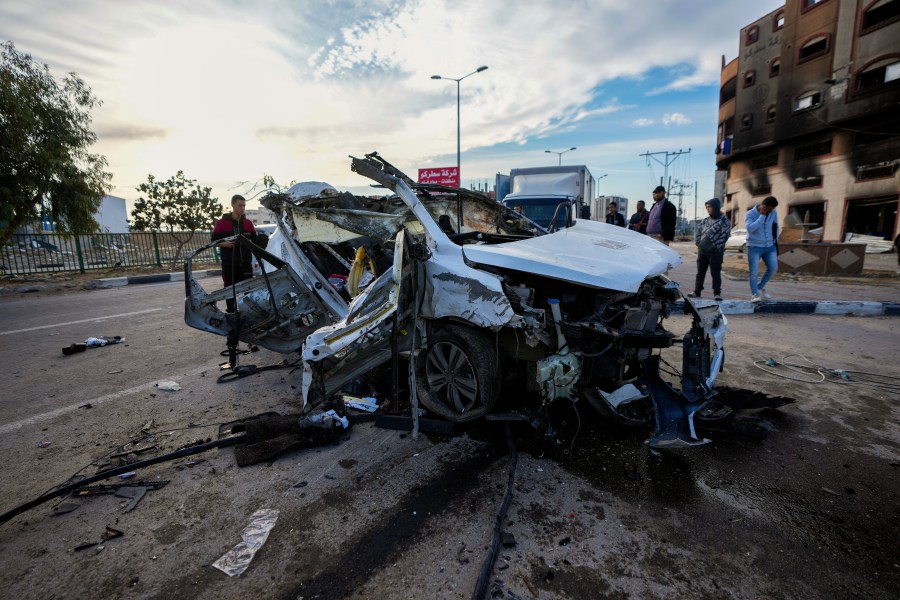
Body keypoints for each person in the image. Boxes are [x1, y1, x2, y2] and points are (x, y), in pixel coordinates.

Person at [212, 194, 257, 313]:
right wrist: (224, 244)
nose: (242, 208)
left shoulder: (248, 223)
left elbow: (255, 240)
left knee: (249, 288)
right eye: (239, 205)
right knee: (229, 289)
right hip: (229, 264)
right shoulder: (222, 223)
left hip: (246, 263)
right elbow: (213, 241)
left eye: (244, 206)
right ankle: (232, 312)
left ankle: (252, 312)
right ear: (232, 205)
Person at [688, 198, 730, 302]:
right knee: (700, 273)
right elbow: (698, 233)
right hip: (702, 251)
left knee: (715, 273)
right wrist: (699, 243)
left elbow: (725, 235)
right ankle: (697, 291)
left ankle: (717, 293)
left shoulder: (724, 221)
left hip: (716, 252)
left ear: (715, 207)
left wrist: (715, 246)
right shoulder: (704, 221)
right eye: (706, 207)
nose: (708, 209)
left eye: (709, 207)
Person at [745, 195, 779, 303]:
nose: (770, 212)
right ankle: (754, 294)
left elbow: (775, 226)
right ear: (763, 206)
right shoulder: (750, 214)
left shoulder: (773, 212)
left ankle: (760, 287)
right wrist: (762, 217)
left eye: (772, 210)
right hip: (754, 246)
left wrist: (775, 240)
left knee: (773, 268)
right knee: (753, 272)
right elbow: (750, 229)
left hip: (769, 246)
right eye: (768, 209)